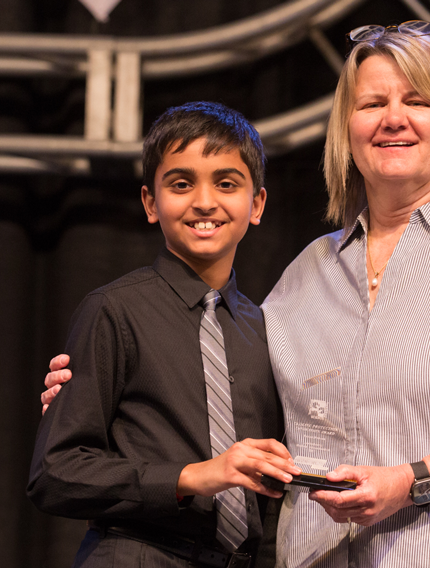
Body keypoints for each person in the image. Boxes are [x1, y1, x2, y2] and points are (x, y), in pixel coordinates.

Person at [43, 22, 430, 568]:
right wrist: (93, 391)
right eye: (372, 103)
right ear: (346, 129)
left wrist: (412, 482)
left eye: (417, 101)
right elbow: (240, 398)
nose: (393, 118)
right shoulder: (308, 273)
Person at [28, 101, 302, 568]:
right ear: (151, 203)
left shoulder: (265, 328)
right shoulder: (114, 310)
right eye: (181, 184)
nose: (204, 201)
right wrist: (193, 477)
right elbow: (56, 473)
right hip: (138, 553)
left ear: (256, 205)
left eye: (226, 183)